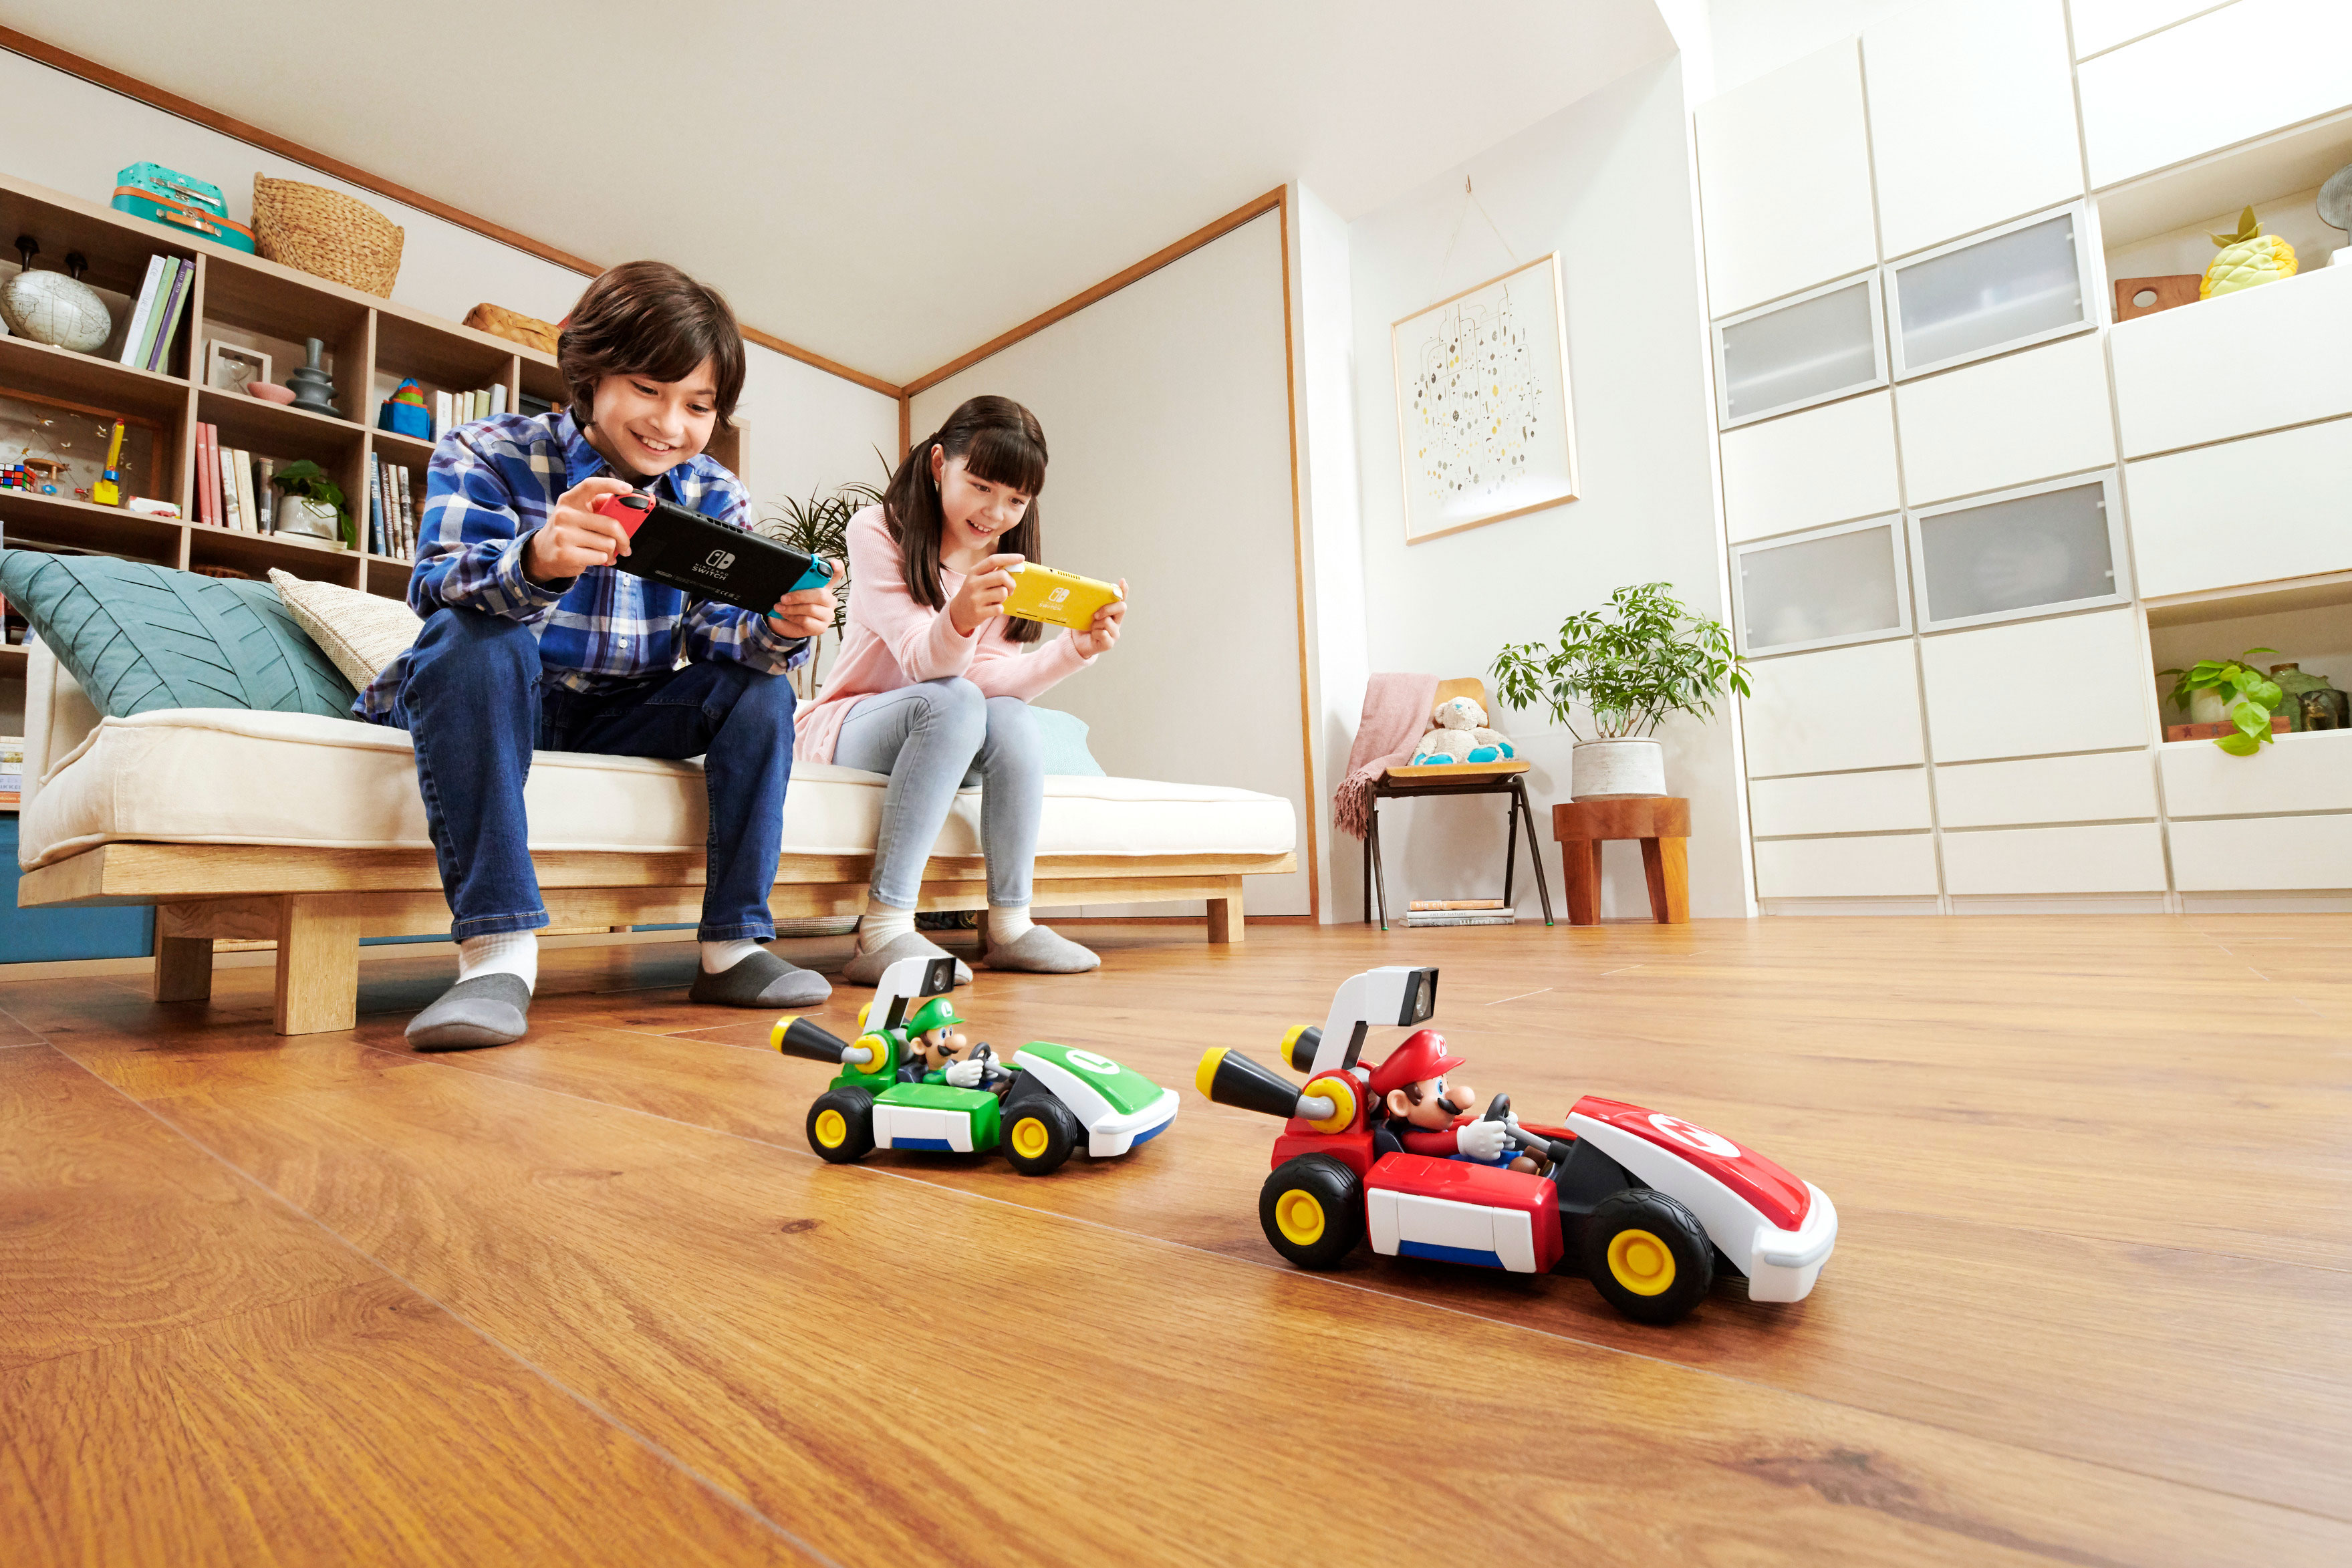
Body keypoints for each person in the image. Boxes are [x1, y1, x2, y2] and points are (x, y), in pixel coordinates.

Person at [358, 260, 839, 1050]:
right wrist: (538, 560)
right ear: (588, 373)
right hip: (500, 692)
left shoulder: (714, 493)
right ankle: (497, 956)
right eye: (648, 389)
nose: (671, 425)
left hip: (622, 712)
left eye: (698, 405)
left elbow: (715, 636)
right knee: (472, 637)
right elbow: (436, 584)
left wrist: (780, 626)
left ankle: (733, 947)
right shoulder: (488, 449)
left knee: (761, 690)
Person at [795, 395, 1125, 983]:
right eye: (980, 486)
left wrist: (1075, 649)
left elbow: (992, 681)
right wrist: (963, 616)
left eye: (1016, 500)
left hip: (948, 725)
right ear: (938, 463)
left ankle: (1011, 925)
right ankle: (883, 929)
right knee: (953, 700)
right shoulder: (877, 530)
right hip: (852, 724)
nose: (995, 513)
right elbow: (923, 662)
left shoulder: (1004, 564)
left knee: (1010, 715)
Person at [1370, 1030, 1538, 1173]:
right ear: (1401, 1104)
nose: (1453, 1096)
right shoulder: (1412, 1139)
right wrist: (1466, 1139)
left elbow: (1456, 1127)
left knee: (1534, 1154)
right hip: (1454, 1174)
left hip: (1468, 1163)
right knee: (1523, 1167)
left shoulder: (1434, 1125)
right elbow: (1441, 1143)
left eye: (1446, 1083)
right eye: (1440, 1087)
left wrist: (1489, 1124)